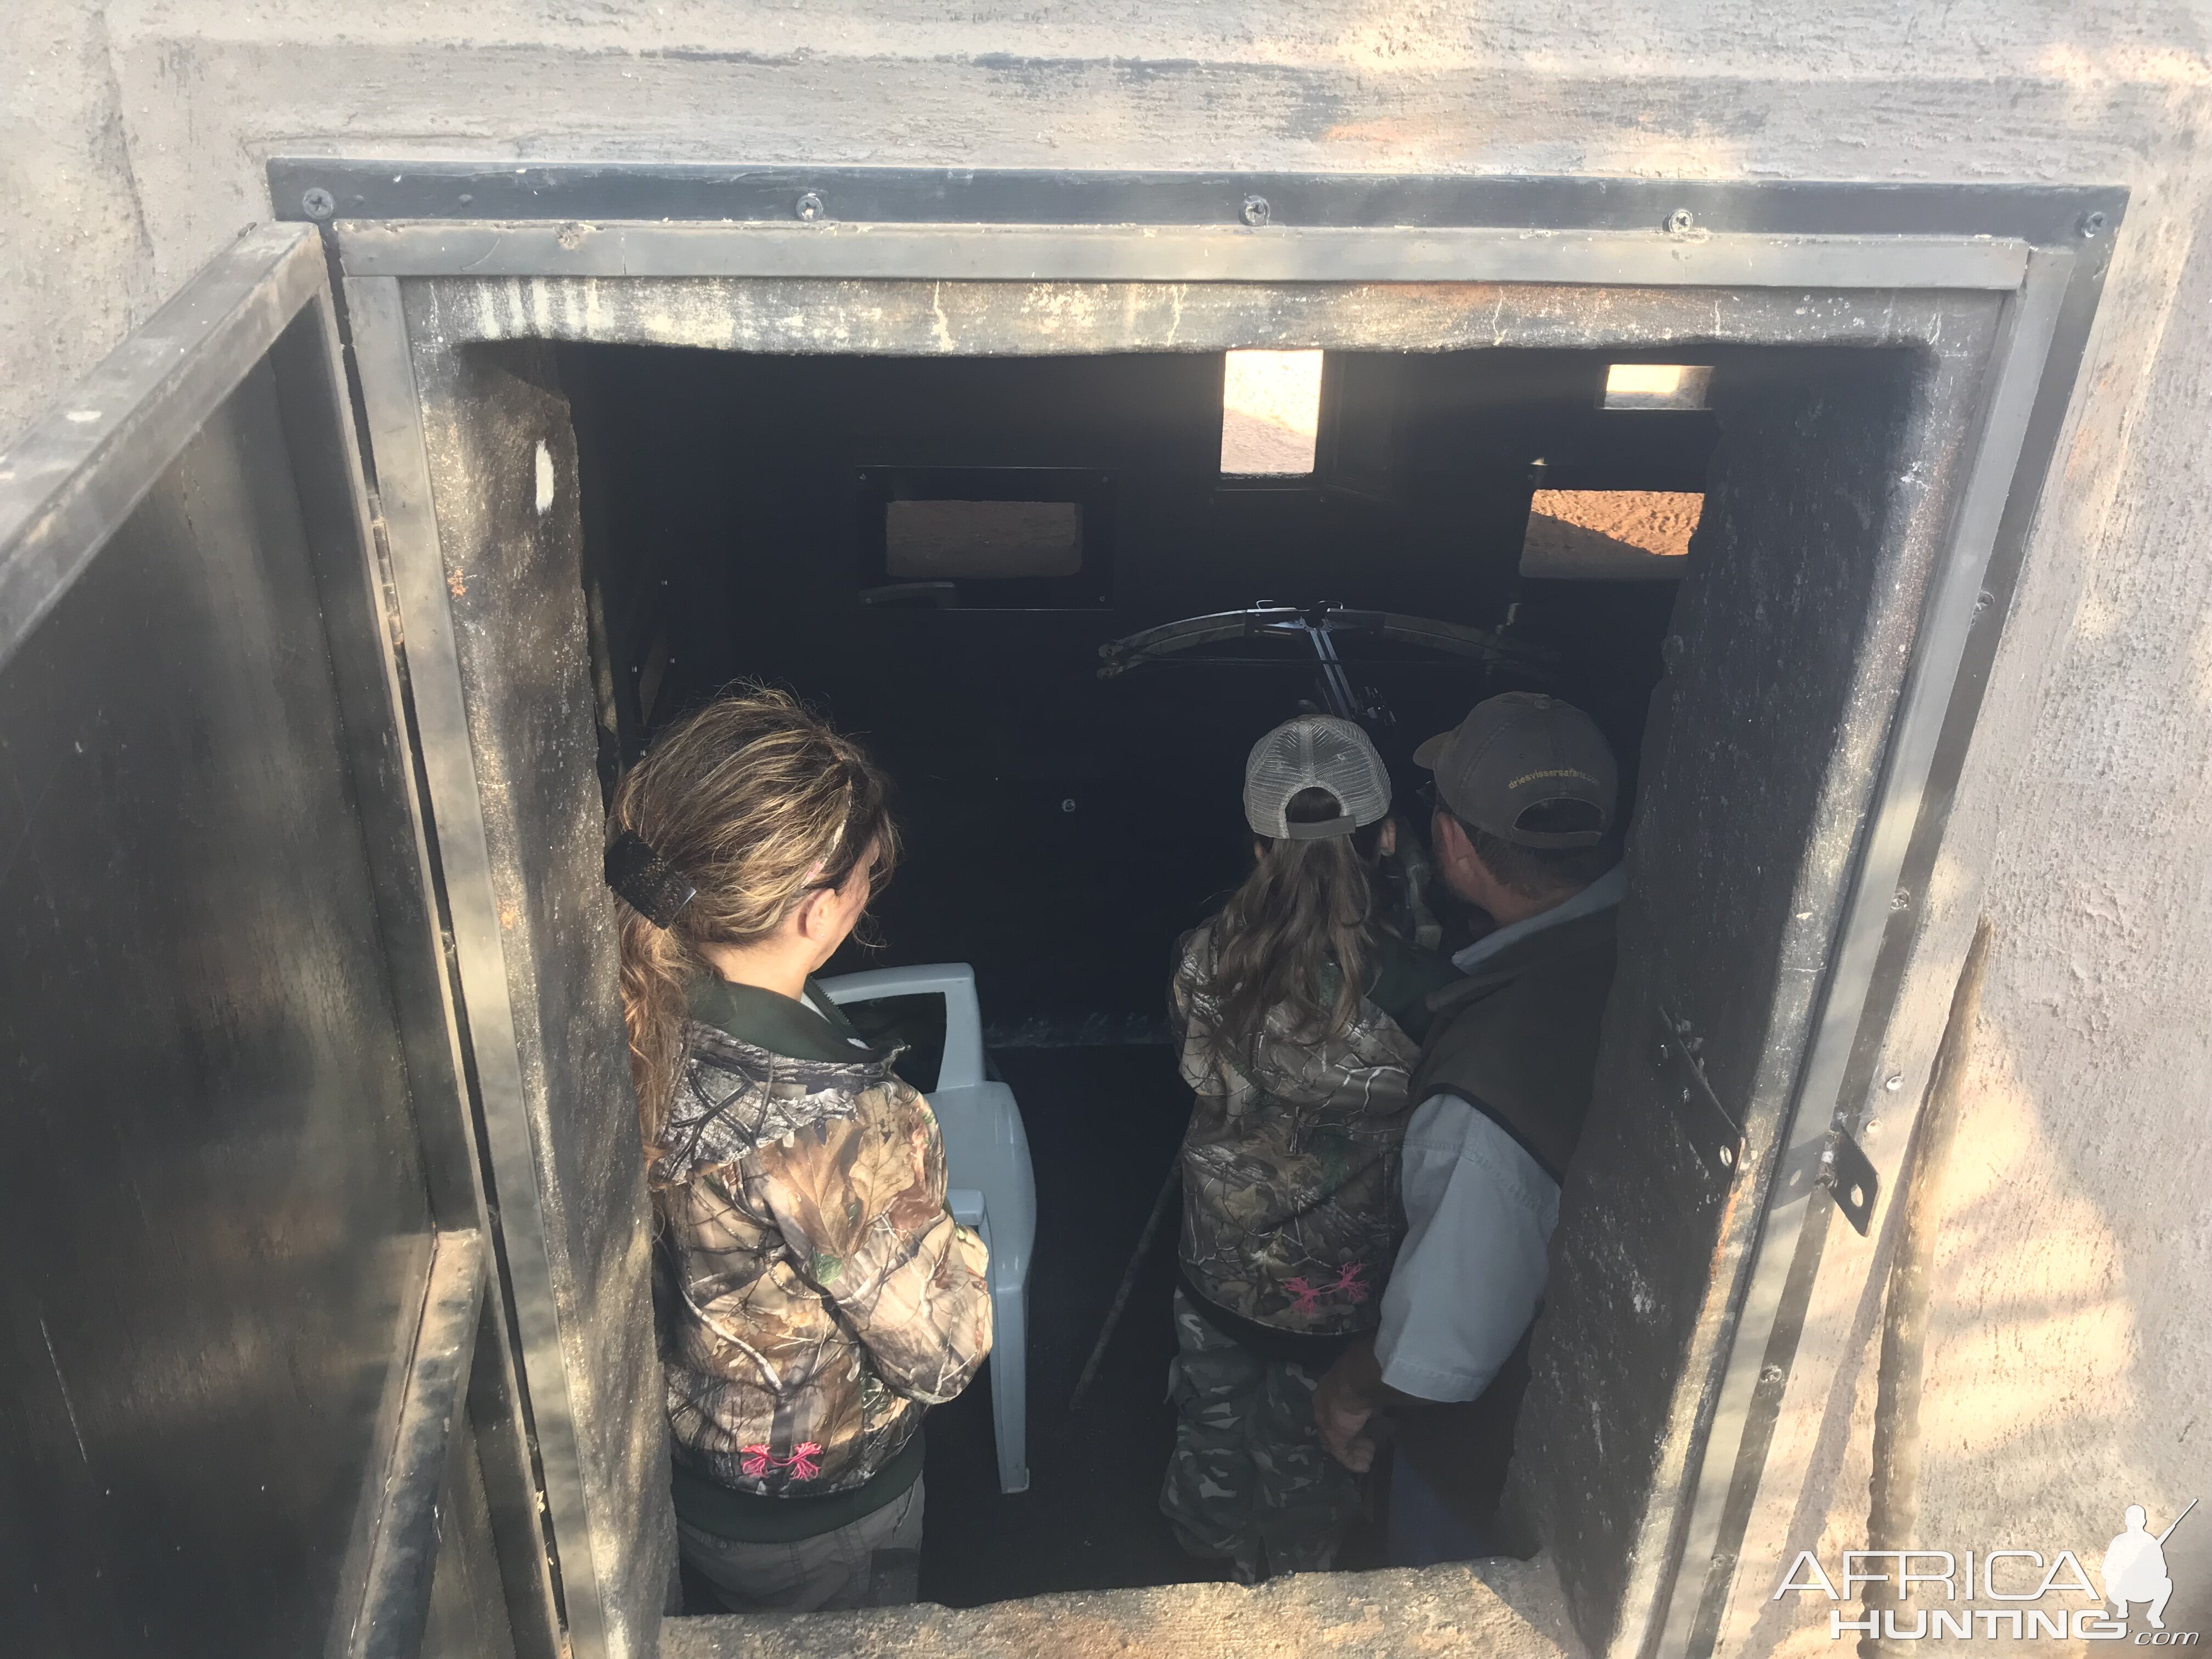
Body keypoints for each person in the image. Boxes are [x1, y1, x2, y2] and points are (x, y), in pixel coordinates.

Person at [605, 687, 992, 1613]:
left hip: (696, 1470)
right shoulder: (834, 1130)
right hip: (821, 1522)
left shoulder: (639, 991)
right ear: (819, 915)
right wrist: (953, 1237)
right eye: (868, 875)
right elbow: (943, 1352)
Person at [1312, 691, 1626, 1565]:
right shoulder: (1648, 939)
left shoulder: (1483, 1100)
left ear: (1451, 843)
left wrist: (1345, 1388)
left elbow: (1439, 1344)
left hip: (1492, 1465)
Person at [1160, 714, 1459, 1583]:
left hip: (1215, 1260)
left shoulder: (1200, 959)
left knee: (1210, 1424)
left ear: (1258, 847)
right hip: (1337, 1295)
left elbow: (1194, 1070)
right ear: (1387, 836)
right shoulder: (1426, 995)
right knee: (1305, 1461)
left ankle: (1199, 1571)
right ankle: (1291, 1591)